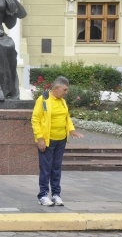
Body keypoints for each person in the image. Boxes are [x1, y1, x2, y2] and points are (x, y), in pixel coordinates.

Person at [31, 76, 84, 206]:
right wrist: (40, 138)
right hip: (48, 141)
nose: (66, 92)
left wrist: (72, 130)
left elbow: (67, 118)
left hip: (61, 140)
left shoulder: (62, 101)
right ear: (56, 88)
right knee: (45, 169)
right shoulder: (43, 99)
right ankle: (43, 195)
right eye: (64, 90)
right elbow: (35, 119)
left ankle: (56, 194)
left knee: (56, 169)